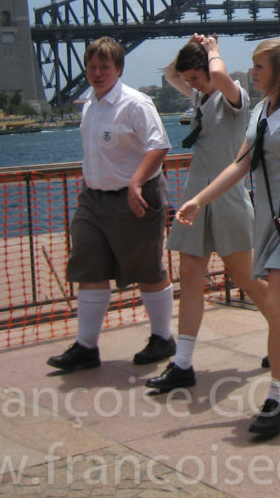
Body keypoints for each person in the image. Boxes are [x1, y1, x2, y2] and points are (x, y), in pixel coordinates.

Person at [177, 37, 280, 437]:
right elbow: (240, 164)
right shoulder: (262, 111)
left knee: (277, 305)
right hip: (269, 222)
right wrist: (199, 200)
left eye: (259, 67)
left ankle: (277, 398)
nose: (252, 73)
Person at [145, 35, 268, 392]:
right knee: (190, 277)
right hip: (196, 196)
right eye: (191, 80)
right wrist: (191, 45)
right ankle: (183, 363)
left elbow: (218, 76)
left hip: (227, 197)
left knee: (245, 277)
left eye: (196, 78)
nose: (192, 84)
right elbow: (172, 75)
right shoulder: (201, 96)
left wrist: (212, 50)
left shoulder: (234, 97)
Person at [47, 36, 175, 372]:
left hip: (135, 197)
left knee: (147, 269)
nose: (96, 73)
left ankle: (163, 337)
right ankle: (86, 346)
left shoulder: (135, 104)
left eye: (104, 67)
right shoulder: (90, 104)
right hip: (93, 199)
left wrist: (135, 182)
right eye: (91, 67)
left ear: (118, 68)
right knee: (88, 266)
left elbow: (159, 146)